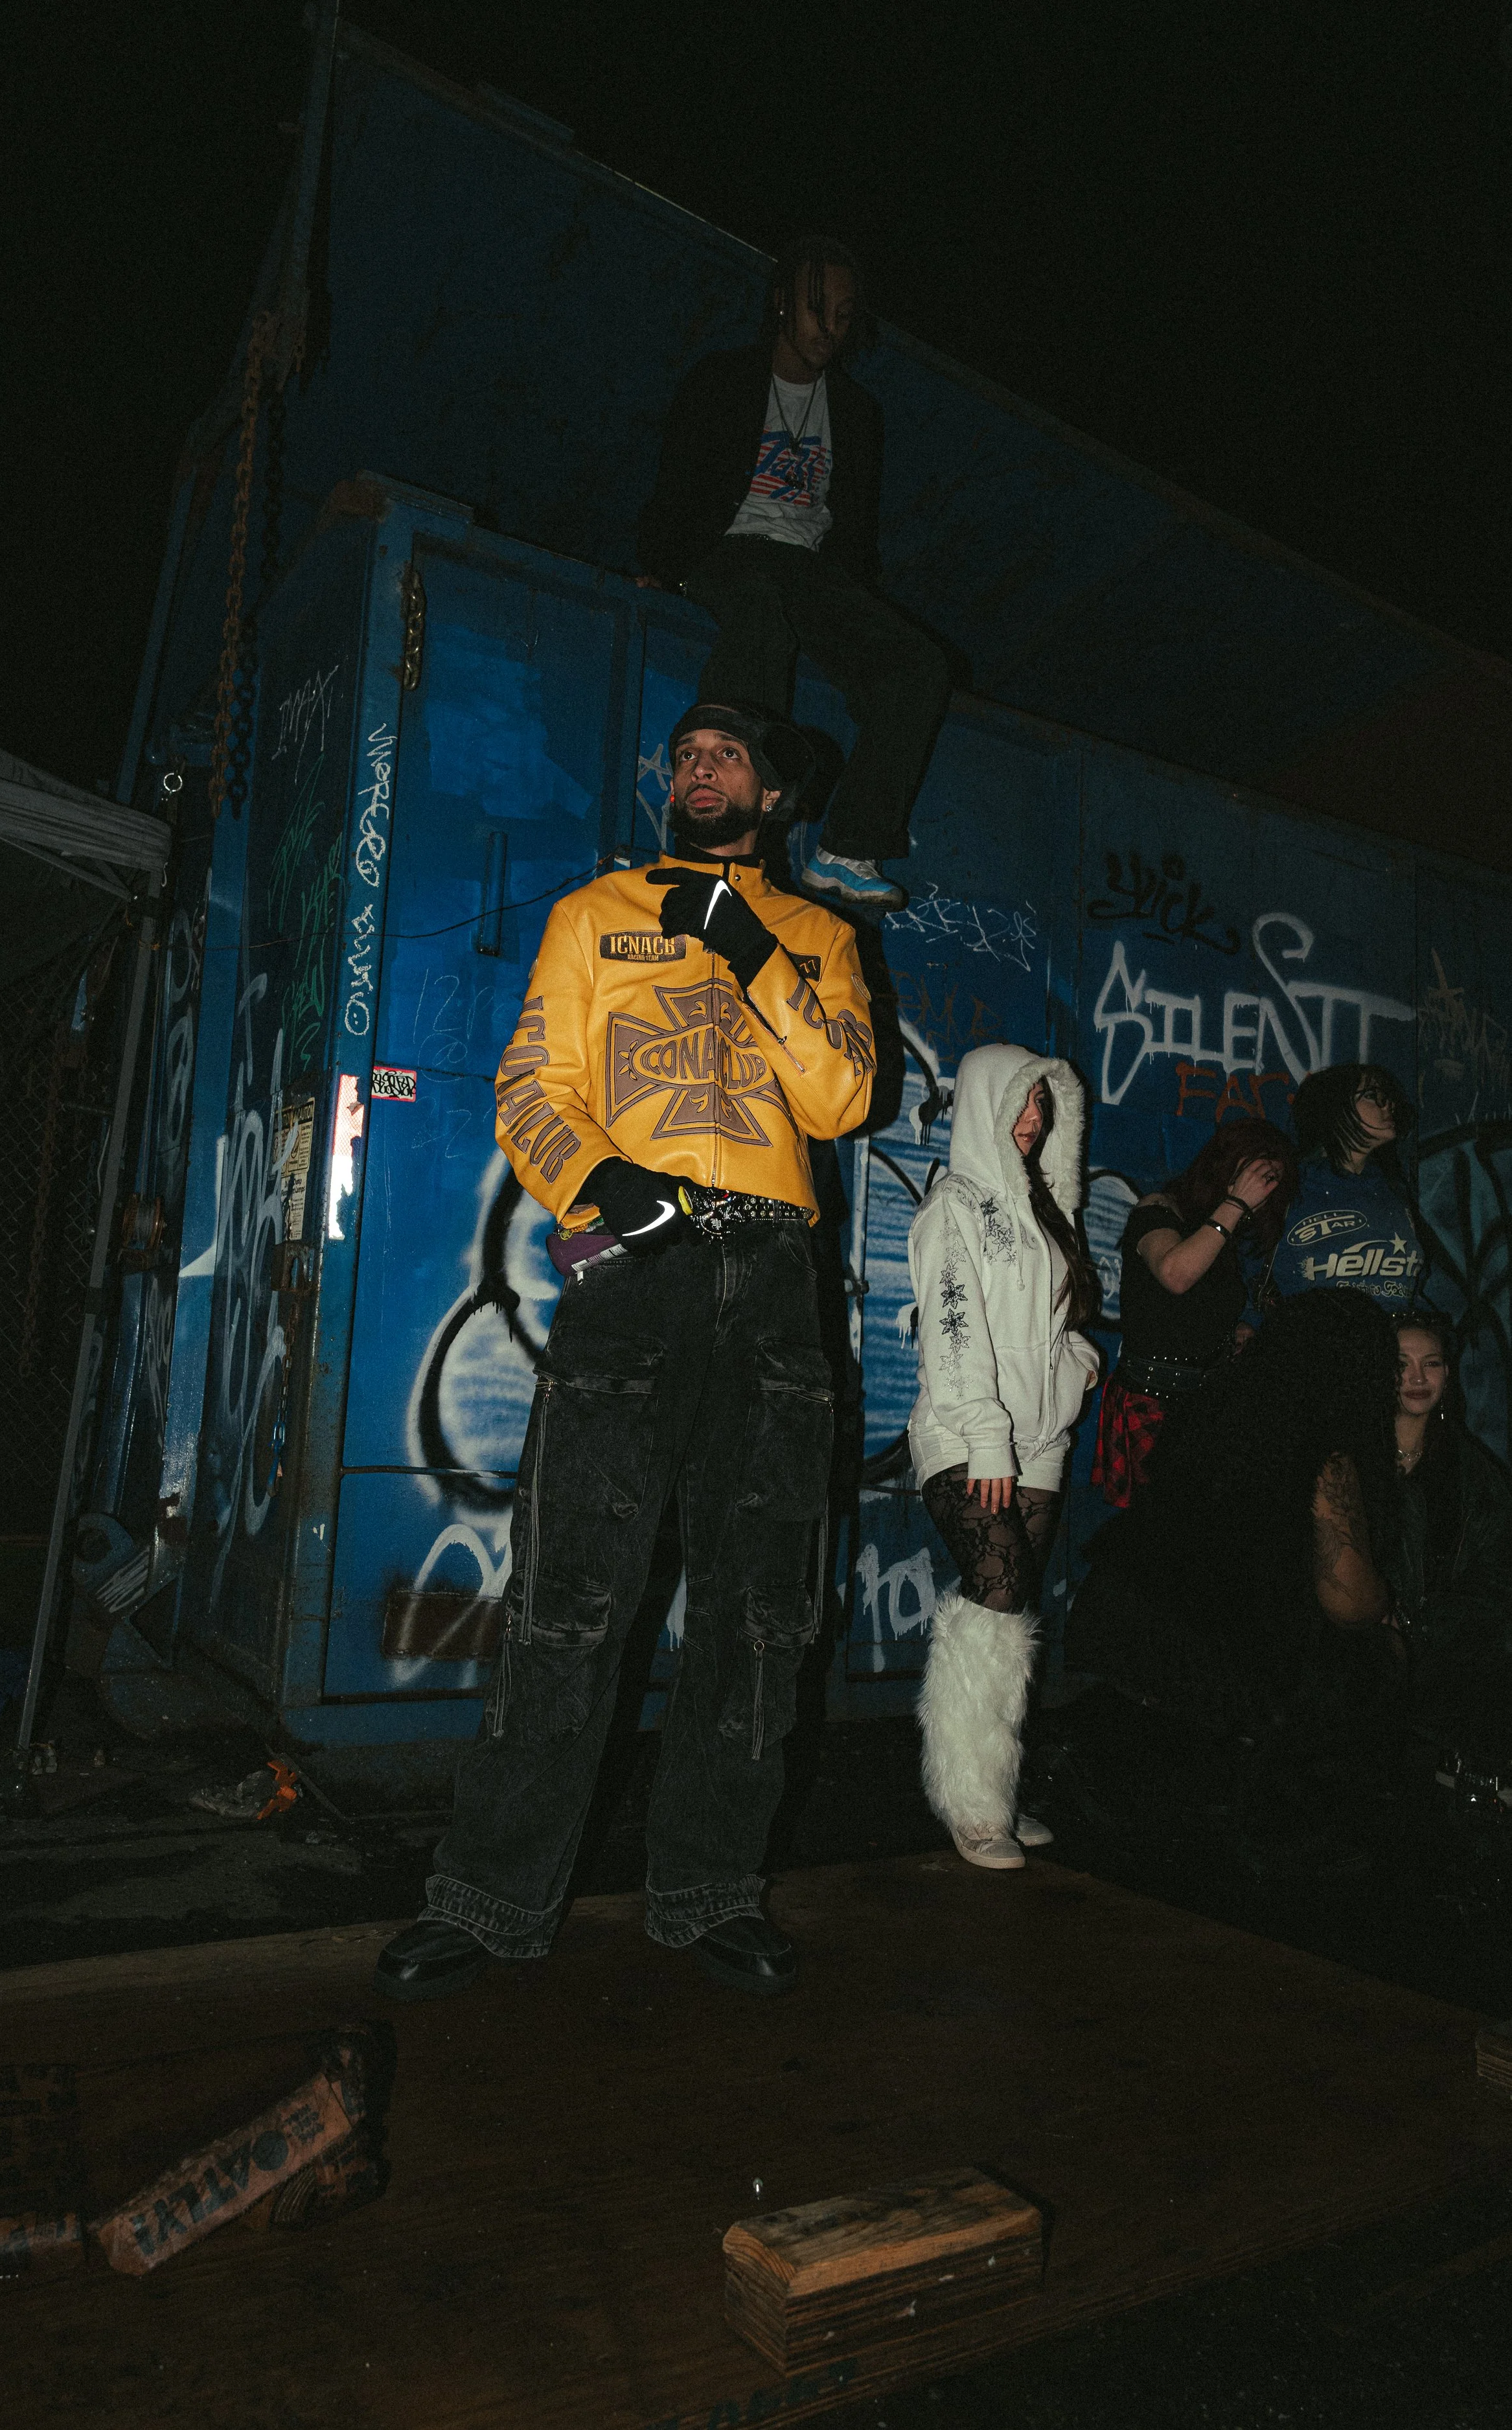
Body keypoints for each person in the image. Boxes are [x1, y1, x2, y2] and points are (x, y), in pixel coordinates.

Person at [374, 700, 876, 2004]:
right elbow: (532, 1083)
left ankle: (708, 1889)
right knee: (567, 1599)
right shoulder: (595, 913)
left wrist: (749, 952)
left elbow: (840, 1096)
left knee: (758, 1615)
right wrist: (604, 1190)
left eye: (726, 757)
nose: (696, 770)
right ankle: (487, 1899)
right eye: (685, 757)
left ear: (772, 796)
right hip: (637, 1265)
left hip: (771, 1275)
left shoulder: (819, 936)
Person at [637, 234, 950, 920]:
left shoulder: (857, 412)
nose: (828, 330)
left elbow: (855, 531)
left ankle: (847, 849)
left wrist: (858, 624)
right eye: (817, 310)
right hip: (727, 549)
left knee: (919, 664)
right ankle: (723, 834)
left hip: (809, 568)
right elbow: (676, 482)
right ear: (781, 304)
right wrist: (658, 570)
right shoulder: (724, 380)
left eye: (843, 316)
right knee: (758, 607)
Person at [1067, 1291, 1408, 1855]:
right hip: (1197, 1673)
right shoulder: (1328, 1455)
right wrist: (1389, 1613)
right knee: (1375, 1658)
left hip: (1111, 1633)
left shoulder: (1222, 1413)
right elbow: (1350, 1601)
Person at [907, 1043, 1101, 1869]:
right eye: (1019, 1104)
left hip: (1040, 1439)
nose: (1031, 1122)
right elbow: (955, 1334)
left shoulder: (1046, 1208)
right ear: (984, 1104)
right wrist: (988, 1435)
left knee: (1009, 1616)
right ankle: (970, 1803)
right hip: (967, 1435)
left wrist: (1076, 1365)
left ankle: (997, 1789)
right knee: (994, 1593)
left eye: (1042, 1109)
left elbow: (1057, 1319)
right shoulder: (953, 1204)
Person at [1093, 1119, 1297, 1509]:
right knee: (1155, 1536)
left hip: (1207, 1401)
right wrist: (1235, 1204)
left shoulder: (1233, 1234)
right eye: (1257, 1176)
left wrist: (1235, 1329)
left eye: (1272, 1181)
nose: (1264, 1190)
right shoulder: (1159, 1208)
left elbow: (1200, 1305)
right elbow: (1176, 1273)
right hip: (1154, 1399)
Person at [1389, 1315, 1512, 1774]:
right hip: (1359, 1664)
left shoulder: (1470, 1470)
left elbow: (1498, 1573)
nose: (1418, 1378)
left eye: (1432, 1363)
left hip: (1448, 1666)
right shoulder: (1349, 1461)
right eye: (1402, 1364)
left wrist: (1427, 1627)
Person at [1270, 1063, 1424, 1310]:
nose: (1388, 1106)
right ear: (1335, 1107)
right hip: (1315, 1341)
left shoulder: (1393, 1190)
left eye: (1388, 1098)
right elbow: (1253, 1270)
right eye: (1373, 1096)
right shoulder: (1291, 1186)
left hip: (1388, 1340)